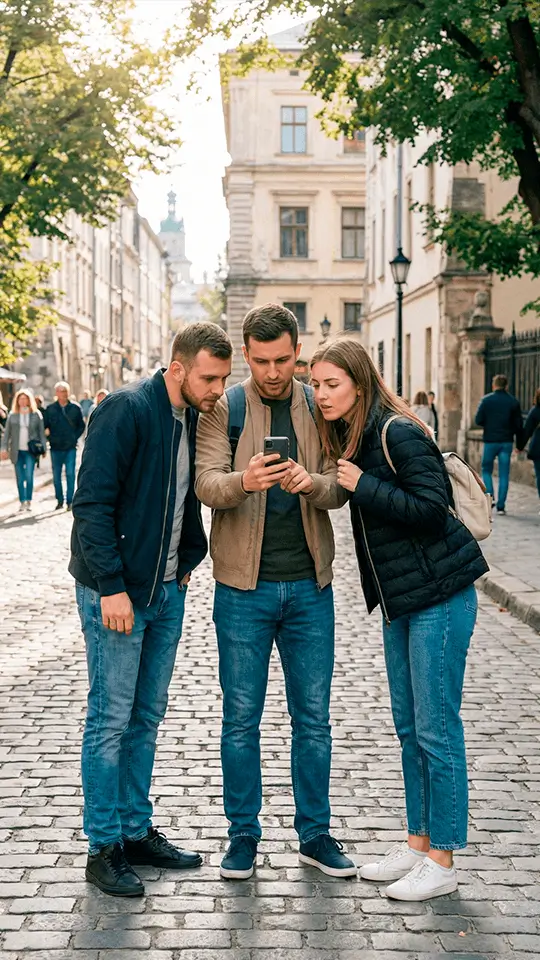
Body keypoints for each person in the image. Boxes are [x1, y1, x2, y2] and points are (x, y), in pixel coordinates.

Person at [310, 337, 488, 902]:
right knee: (410, 729)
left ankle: (444, 858)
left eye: (330, 384)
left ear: (359, 385)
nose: (320, 394)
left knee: (438, 731)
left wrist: (366, 486)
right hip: (404, 601)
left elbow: (433, 511)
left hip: (441, 596)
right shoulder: (358, 435)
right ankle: (417, 844)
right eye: (315, 384)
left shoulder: (397, 431)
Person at [69, 321, 232, 898]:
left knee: (145, 717)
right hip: (115, 594)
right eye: (210, 378)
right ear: (179, 367)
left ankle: (136, 831)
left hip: (166, 590)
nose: (217, 390)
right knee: (110, 719)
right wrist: (112, 587)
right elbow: (90, 504)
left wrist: (189, 559)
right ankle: (103, 846)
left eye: (223, 380)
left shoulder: (190, 417)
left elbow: (182, 497)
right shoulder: (126, 409)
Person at [195, 303, 355, 882]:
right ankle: (243, 836)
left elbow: (341, 482)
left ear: (297, 351)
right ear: (246, 355)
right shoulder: (227, 407)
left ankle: (315, 834)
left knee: (312, 718)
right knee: (241, 718)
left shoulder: (319, 404)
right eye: (261, 361)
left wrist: (311, 484)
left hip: (310, 587)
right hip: (244, 590)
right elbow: (206, 482)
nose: (272, 372)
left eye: (283, 360)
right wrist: (245, 481)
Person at [475, 374, 523, 515]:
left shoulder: (486, 400)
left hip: (490, 440)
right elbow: (518, 425)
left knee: (486, 469)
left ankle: (490, 497)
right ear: (506, 386)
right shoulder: (513, 402)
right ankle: (501, 505)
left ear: (493, 385)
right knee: (504, 474)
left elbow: (478, 420)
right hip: (506, 441)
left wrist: (489, 424)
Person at [1, 389, 47, 511]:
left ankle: (29, 500)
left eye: (25, 399)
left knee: (29, 475)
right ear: (17, 401)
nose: (22, 401)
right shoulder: (12, 415)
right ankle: (22, 501)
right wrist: (3, 448)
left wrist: (44, 448)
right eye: (20, 399)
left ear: (29, 400)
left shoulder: (36, 414)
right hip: (16, 451)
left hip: (30, 451)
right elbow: (7, 434)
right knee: (20, 477)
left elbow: (41, 433)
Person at [43, 382, 85, 511]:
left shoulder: (75, 408)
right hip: (55, 447)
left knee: (71, 474)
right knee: (56, 476)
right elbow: (45, 426)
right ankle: (59, 500)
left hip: (70, 447)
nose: (63, 393)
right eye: (60, 391)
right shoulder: (50, 409)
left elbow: (81, 426)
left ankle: (70, 501)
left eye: (65, 391)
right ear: (56, 393)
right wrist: (49, 438)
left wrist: (74, 437)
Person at [518, 387, 540, 510]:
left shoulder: (535, 411)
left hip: (538, 448)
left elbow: (527, 431)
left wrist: (520, 446)